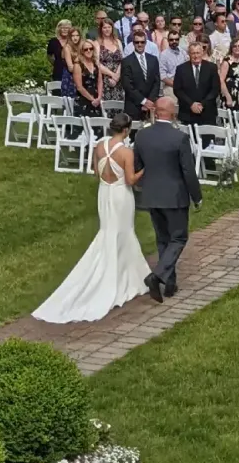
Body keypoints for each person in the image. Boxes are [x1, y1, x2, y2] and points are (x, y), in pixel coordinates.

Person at [32, 112, 152, 322]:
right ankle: (125, 276)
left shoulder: (99, 146)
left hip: (104, 193)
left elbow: (95, 171)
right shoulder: (126, 152)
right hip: (120, 195)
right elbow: (131, 180)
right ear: (126, 130)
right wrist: (146, 169)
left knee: (109, 230)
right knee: (123, 231)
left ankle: (127, 272)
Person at [132, 97, 201, 301]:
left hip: (152, 195)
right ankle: (157, 276)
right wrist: (196, 196)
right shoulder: (179, 137)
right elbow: (188, 171)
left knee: (163, 239)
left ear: (156, 112)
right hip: (175, 196)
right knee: (178, 237)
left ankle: (170, 284)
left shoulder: (142, 136)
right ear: (172, 113)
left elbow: (138, 165)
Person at [174, 42, 220, 126]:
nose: (196, 56)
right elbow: (177, 90)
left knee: (208, 139)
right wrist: (191, 104)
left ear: (202, 52)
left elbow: (215, 89)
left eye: (198, 53)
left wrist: (202, 104)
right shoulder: (181, 69)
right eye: (193, 53)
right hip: (187, 113)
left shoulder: (211, 67)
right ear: (189, 54)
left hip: (207, 112)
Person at [120, 34, 161, 120]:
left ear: (145, 43)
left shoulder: (153, 59)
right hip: (133, 106)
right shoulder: (126, 61)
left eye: (142, 42)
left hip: (151, 106)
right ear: (133, 43)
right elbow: (127, 85)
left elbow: (157, 82)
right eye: (137, 42)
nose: (139, 44)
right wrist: (143, 101)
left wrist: (150, 101)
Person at [95, 20, 125, 115]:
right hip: (104, 80)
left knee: (119, 106)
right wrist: (111, 74)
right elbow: (97, 63)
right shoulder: (97, 43)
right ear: (101, 29)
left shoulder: (118, 42)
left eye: (109, 27)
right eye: (104, 27)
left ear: (112, 28)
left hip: (119, 80)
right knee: (106, 108)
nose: (107, 29)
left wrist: (117, 76)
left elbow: (122, 60)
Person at [70, 36, 102, 117]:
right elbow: (79, 87)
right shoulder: (78, 65)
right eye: (86, 49)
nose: (88, 51)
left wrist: (99, 97)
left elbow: (100, 82)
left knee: (98, 127)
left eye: (90, 48)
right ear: (82, 51)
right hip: (83, 100)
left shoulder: (96, 64)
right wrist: (92, 99)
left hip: (96, 100)